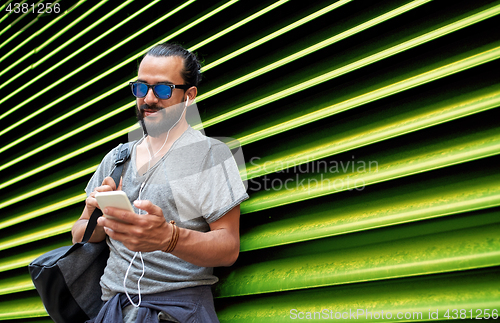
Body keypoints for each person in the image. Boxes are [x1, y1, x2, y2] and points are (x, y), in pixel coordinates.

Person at [71, 42, 249, 323]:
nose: (149, 99)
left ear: (189, 95)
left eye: (163, 89)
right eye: (141, 88)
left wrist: (170, 238)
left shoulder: (209, 155)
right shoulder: (117, 159)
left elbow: (228, 247)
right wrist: (99, 219)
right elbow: (79, 234)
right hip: (111, 310)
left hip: (176, 311)